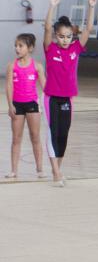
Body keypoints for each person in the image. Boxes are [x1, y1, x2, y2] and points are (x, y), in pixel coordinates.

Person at [43, 0, 97, 186]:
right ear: (56, 36)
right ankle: (56, 173)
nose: (65, 40)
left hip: (67, 98)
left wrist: (91, 7)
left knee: (63, 134)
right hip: (51, 98)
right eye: (61, 36)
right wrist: (52, 5)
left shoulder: (75, 49)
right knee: (52, 132)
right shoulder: (50, 49)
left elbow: (88, 29)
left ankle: (57, 168)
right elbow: (47, 26)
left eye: (68, 36)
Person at [5, 34, 47, 179]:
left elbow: (45, 87)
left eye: (20, 46)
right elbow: (9, 86)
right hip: (17, 105)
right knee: (16, 139)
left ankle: (40, 168)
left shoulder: (37, 66)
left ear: (30, 48)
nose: (17, 48)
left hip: (32, 105)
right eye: (16, 45)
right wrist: (10, 105)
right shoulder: (12, 66)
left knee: (35, 137)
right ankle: (14, 170)